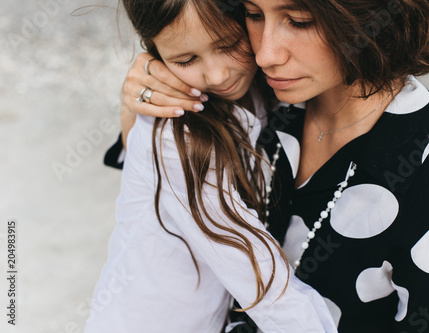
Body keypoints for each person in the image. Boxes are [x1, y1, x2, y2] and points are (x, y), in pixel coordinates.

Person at [118, 0, 429, 332]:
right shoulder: (251, 87)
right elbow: (161, 186)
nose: (266, 53)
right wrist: (142, 99)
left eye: (299, 21)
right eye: (252, 14)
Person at [85, 0, 338, 332]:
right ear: (154, 53)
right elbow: (258, 276)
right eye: (186, 59)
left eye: (230, 44)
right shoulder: (176, 136)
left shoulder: (266, 89)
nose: (217, 75)